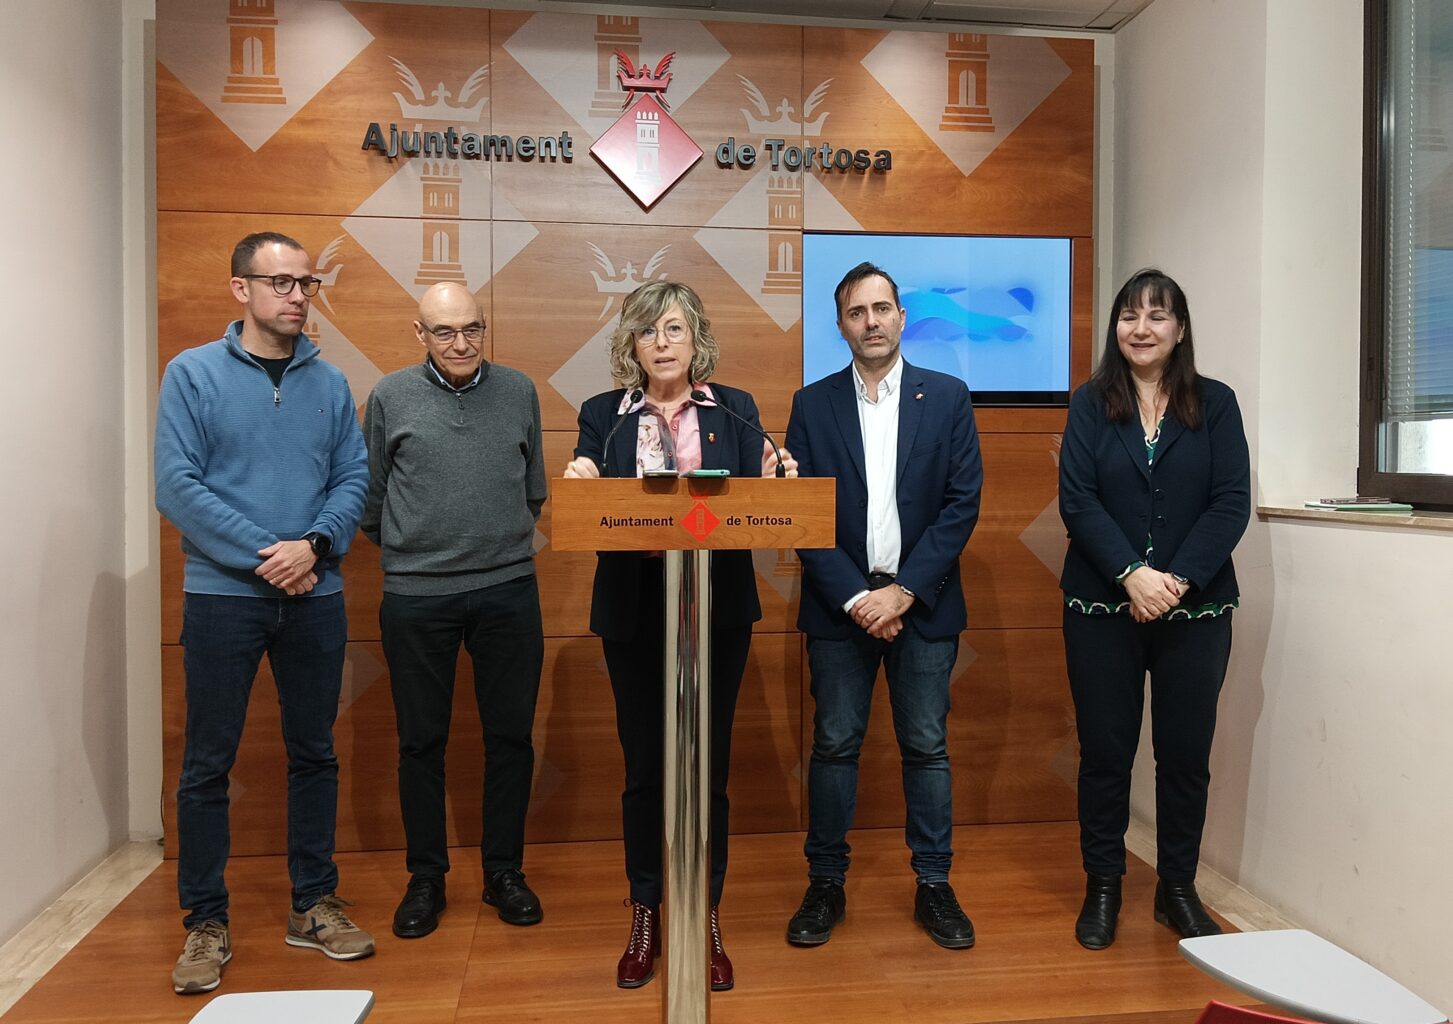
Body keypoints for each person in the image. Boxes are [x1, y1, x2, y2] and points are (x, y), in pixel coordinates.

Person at [155, 231, 374, 995]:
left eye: (306, 283)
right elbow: (177, 485)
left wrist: (312, 546)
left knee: (314, 753)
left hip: (315, 596)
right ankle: (205, 921)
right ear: (240, 289)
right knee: (206, 764)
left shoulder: (330, 383)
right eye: (280, 282)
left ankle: (313, 903)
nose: (297, 296)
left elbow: (352, 478)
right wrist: (268, 554)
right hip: (223, 599)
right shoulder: (191, 374)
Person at [563, 280, 797, 992]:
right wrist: (582, 478)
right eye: (647, 331)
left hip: (716, 610)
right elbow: (591, 501)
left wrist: (778, 479)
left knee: (708, 768)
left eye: (673, 329)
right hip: (634, 613)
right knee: (645, 768)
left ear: (696, 339)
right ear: (630, 345)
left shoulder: (736, 410)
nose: (661, 344)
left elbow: (759, 503)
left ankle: (706, 913)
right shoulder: (602, 414)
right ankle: (646, 911)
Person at [783, 261, 983, 950]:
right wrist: (855, 597)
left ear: (901, 316)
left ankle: (934, 885)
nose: (870, 322)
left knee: (926, 747)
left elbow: (961, 505)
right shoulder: (811, 405)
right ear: (840, 325)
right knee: (834, 745)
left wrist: (901, 592)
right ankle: (825, 884)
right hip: (839, 606)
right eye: (856, 312)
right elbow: (803, 514)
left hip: (922, 603)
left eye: (881, 309)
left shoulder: (948, 396)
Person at [1058, 268, 1250, 950]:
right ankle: (1103, 886)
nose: (1141, 329)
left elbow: (1230, 502)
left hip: (1195, 612)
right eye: (1129, 316)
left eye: (1157, 316)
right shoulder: (1089, 403)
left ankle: (1177, 890)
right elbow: (1077, 499)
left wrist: (1175, 581)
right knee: (1105, 755)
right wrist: (1131, 575)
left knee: (1184, 756)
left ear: (1180, 328)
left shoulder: (1216, 403)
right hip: (1099, 606)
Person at [362, 282, 548, 940]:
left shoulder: (519, 390)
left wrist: (492, 545)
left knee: (511, 739)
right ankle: (426, 878)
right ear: (419, 334)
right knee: (420, 743)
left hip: (508, 590)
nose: (461, 343)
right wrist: (419, 551)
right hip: (417, 596)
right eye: (444, 331)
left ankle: (504, 872)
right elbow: (373, 499)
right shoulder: (389, 396)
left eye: (472, 328)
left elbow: (533, 490)